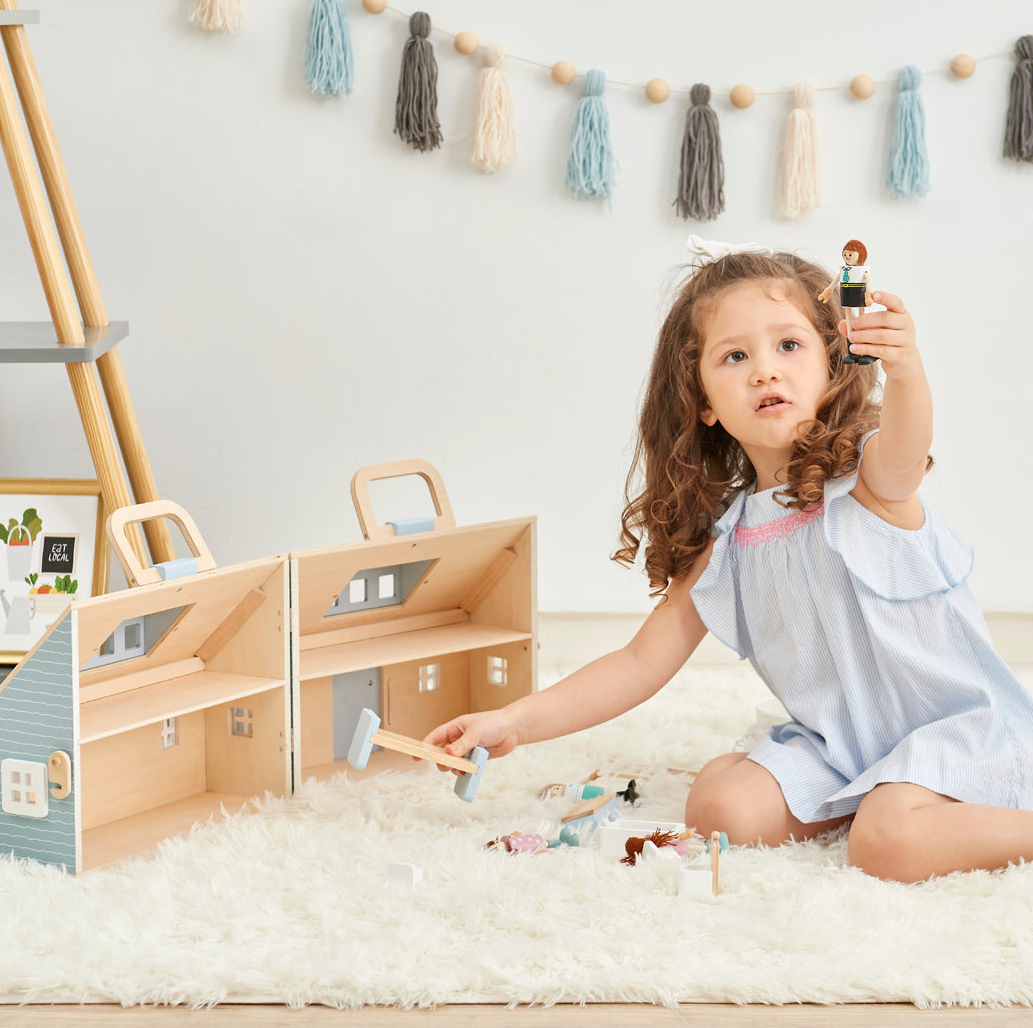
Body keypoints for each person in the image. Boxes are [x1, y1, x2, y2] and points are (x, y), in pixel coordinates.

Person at [423, 241, 1033, 884]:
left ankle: (916, 813)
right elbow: (637, 664)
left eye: (789, 347)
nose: (765, 371)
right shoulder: (729, 540)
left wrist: (905, 370)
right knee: (720, 808)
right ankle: (877, 795)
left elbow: (910, 445)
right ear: (706, 402)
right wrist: (512, 719)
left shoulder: (870, 481)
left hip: (958, 732)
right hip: (843, 746)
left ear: (833, 366)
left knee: (886, 846)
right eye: (735, 356)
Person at [818, 239, 878, 365]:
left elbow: (868, 282)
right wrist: (828, 291)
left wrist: (868, 295)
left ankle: (866, 352)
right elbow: (836, 280)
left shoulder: (863, 270)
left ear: (860, 255)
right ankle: (852, 353)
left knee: (862, 321)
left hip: (859, 294)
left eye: (850, 254)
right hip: (847, 294)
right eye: (845, 254)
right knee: (848, 323)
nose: (847, 257)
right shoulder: (845, 270)